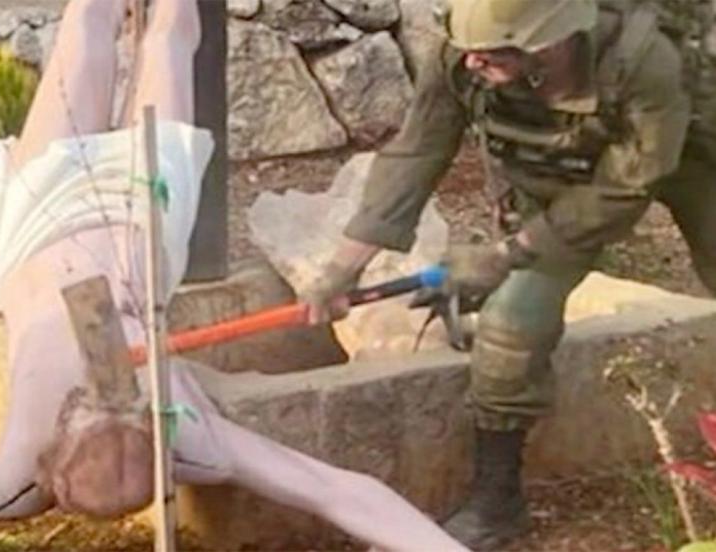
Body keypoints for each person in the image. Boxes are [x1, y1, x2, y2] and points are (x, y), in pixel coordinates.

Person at [0, 0, 470, 550]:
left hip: (44, 217)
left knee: (89, 34)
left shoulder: (15, 475)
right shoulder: (189, 437)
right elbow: (337, 490)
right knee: (165, 40)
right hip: (141, 210)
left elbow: (338, 491)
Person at [302, 0, 716, 549]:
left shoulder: (643, 59)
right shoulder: (462, 55)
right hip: (560, 181)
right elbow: (417, 151)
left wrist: (505, 253)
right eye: (471, 50)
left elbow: (628, 185)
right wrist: (342, 268)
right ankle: (497, 501)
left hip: (686, 154)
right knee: (511, 323)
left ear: (551, 41)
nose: (474, 62)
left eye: (495, 53)